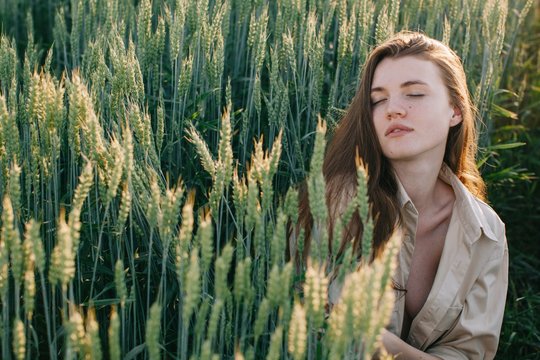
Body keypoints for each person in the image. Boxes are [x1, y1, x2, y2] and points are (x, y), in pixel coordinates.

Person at [293, 31, 508, 359]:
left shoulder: (486, 232)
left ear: (455, 111)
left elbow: (469, 351)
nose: (393, 109)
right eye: (378, 100)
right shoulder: (339, 202)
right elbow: (330, 331)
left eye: (415, 94)